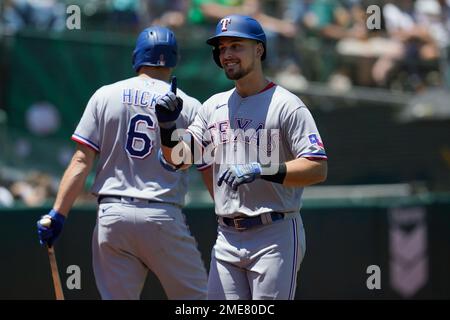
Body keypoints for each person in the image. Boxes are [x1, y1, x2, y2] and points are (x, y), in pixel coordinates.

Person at [155, 15, 328, 299]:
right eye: (222, 49)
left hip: (274, 233)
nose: (227, 55)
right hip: (227, 236)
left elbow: (317, 167)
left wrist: (263, 168)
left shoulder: (287, 105)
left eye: (236, 46)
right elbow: (179, 158)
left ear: (259, 49)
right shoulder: (214, 106)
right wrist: (167, 126)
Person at [36, 26, 208, 300]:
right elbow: (198, 165)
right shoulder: (190, 105)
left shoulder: (106, 95)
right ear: (174, 59)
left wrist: (57, 214)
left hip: (113, 216)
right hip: (162, 213)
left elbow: (82, 160)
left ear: (137, 56)